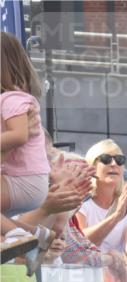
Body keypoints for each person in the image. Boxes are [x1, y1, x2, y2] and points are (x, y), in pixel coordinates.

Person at [78, 139, 127, 258]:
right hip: (85, 273)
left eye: (119, 160)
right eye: (106, 159)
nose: (114, 164)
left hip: (115, 274)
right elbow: (80, 244)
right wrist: (117, 215)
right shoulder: (80, 201)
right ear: (92, 166)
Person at [1, 32, 50, 217]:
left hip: (24, 180)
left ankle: (18, 236)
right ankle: (34, 234)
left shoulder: (11, 98)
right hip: (28, 181)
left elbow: (19, 135)